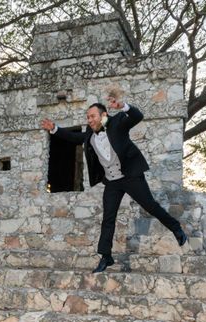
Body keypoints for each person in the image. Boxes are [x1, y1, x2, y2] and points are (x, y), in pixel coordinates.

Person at [41, 95, 187, 273]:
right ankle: (106, 257)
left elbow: (137, 117)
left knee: (151, 206)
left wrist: (124, 106)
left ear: (104, 115)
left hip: (130, 176)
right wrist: (54, 129)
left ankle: (176, 227)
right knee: (108, 218)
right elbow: (73, 138)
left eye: (92, 116)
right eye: (87, 117)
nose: (89, 120)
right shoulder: (89, 133)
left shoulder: (117, 123)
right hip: (112, 181)